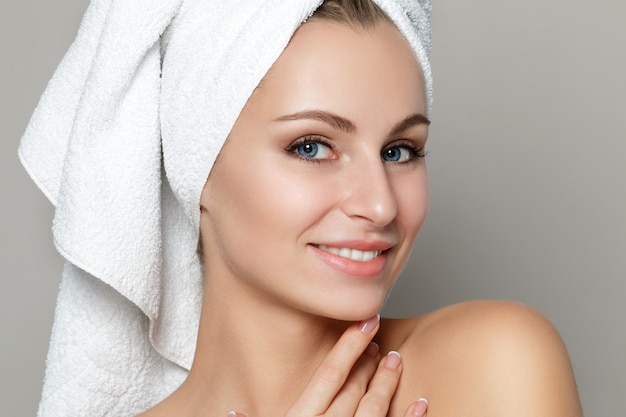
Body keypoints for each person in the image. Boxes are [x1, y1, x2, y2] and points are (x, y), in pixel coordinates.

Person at [19, 1, 582, 416]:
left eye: (399, 150)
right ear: (198, 172)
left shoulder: (494, 367)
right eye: (311, 147)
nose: (381, 203)